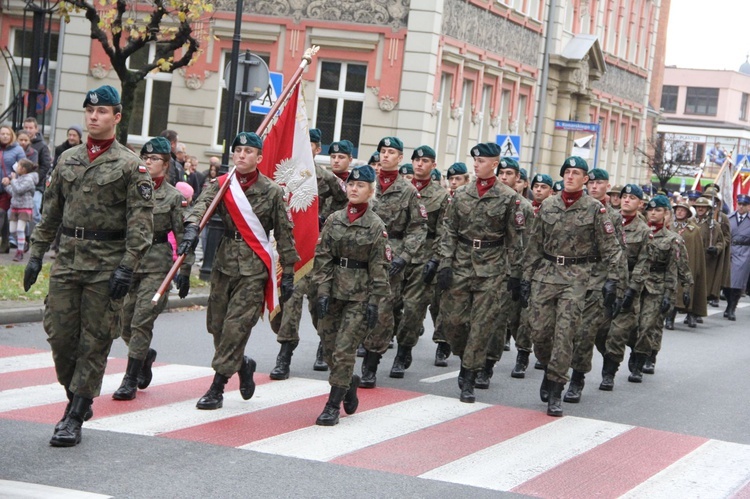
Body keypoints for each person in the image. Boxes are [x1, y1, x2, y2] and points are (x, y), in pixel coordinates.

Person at [24, 85, 155, 447]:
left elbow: (141, 225)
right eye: (89, 111)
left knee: (94, 341)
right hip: (67, 261)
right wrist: (36, 254)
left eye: (102, 112)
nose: (93, 117)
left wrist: (127, 267)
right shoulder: (68, 159)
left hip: (106, 264)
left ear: (116, 116)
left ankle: (75, 413)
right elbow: (50, 213)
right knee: (60, 336)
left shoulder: (131, 166)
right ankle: (76, 395)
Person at [178, 131, 298, 410]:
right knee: (217, 326)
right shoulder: (222, 184)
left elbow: (285, 232)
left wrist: (289, 271)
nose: (242, 155)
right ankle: (243, 364)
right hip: (224, 264)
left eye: (248, 151)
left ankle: (217, 387)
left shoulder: (272, 191)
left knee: (236, 327)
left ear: (259, 157)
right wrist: (192, 228)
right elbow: (200, 207)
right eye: (238, 150)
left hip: (253, 269)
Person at [521, 156, 621, 417]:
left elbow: (612, 249)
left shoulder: (596, 210)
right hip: (546, 274)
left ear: (585, 179)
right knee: (539, 332)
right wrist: (523, 277)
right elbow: (534, 244)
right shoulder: (548, 206)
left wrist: (613, 281)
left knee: (565, 334)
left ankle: (556, 389)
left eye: (576, 173)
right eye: (566, 172)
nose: (570, 176)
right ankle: (547, 365)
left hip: (577, 278)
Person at [438, 142, 523, 403]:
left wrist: (516, 274)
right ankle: (466, 357)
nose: (476, 164)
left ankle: (470, 375)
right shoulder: (461, 194)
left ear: (494, 164)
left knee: (481, 324)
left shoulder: (509, 197)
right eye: (474, 160)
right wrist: (444, 263)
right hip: (462, 262)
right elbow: (449, 229)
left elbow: (515, 238)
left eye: (482, 161)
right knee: (453, 322)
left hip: (492, 268)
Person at [111, 137, 193, 401]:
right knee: (124, 323)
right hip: (129, 263)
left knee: (141, 321)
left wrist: (185, 270)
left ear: (166, 164)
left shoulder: (173, 197)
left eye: (153, 158)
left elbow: (183, 236)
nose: (147, 162)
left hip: (157, 265)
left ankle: (130, 379)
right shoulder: (130, 190)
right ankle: (144, 357)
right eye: (144, 158)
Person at [312, 164, 389, 426]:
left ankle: (332, 405)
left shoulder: (376, 226)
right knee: (330, 348)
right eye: (352, 184)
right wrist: (321, 291)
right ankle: (348, 382)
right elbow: (323, 258)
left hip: (360, 295)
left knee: (345, 349)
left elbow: (380, 268)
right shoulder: (334, 219)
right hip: (333, 292)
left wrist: (375, 303)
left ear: (371, 191)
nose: (354, 189)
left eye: (361, 186)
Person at [269, 131, 349, 380]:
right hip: (295, 249)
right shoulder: (287, 175)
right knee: (289, 302)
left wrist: (316, 172)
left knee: (320, 307)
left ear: (316, 149)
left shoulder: (325, 177)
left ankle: (324, 347)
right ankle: (285, 354)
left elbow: (343, 196)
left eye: (310, 146)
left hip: (322, 254)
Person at [360, 136, 426, 388]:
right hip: (361, 254)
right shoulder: (365, 185)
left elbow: (418, 228)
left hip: (391, 256)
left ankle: (370, 363)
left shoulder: (408, 191)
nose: (385, 156)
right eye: (382, 152)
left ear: (400, 159)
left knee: (382, 310)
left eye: (391, 152)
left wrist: (404, 256)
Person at [565, 168, 627, 404]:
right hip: (568, 279)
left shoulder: (612, 216)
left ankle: (576, 379)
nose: (593, 186)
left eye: (599, 183)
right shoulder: (571, 208)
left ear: (607, 186)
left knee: (584, 334)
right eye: (590, 182)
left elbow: (619, 253)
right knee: (560, 332)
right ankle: (555, 376)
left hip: (596, 282)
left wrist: (618, 287)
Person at [390, 146, 448, 378]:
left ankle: (403, 351)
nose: (419, 164)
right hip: (399, 254)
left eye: (425, 161)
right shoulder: (402, 190)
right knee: (391, 305)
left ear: (433, 165)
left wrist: (435, 260)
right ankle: (384, 338)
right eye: (416, 160)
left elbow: (444, 232)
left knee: (413, 309)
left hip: (424, 257)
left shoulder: (441, 196)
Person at [625, 196, 692, 381]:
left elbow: (676, 266)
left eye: (658, 210)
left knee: (648, 326)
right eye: (651, 210)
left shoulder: (672, 239)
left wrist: (679, 290)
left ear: (666, 214)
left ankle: (640, 361)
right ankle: (635, 350)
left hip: (657, 287)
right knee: (631, 325)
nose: (653, 213)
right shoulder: (639, 232)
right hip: (636, 284)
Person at [479, 156, 531, 389]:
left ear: (518, 178)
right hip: (481, 268)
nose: (504, 177)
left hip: (507, 273)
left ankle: (487, 365)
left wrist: (520, 277)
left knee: (498, 321)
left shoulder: (524, 208)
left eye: (509, 173)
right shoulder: (485, 199)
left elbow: (528, 245)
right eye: (501, 172)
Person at [598, 185, 651, 390]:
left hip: (628, 285)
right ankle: (613, 355)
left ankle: (609, 373)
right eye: (624, 197)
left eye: (632, 198)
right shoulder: (607, 221)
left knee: (617, 334)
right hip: (606, 283)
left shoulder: (644, 230)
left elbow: (644, 262)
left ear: (640, 203)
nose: (627, 200)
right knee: (600, 330)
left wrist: (632, 290)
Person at [511, 172, 553, 379]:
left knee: (530, 317)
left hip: (543, 270)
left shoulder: (553, 211)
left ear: (551, 191)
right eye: (536, 186)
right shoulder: (524, 208)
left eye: (543, 187)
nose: (538, 190)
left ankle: (523, 356)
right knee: (513, 315)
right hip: (520, 266)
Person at [670, 201, 707, 328]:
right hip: (671, 265)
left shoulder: (694, 230)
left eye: (682, 210)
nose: (679, 212)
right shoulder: (669, 226)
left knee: (688, 289)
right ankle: (670, 317)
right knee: (672, 290)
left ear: (687, 213)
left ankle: (691, 313)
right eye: (677, 209)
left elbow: (698, 252)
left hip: (688, 265)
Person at [692, 193, 727, 308]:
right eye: (698, 207)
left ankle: (694, 314)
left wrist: (716, 248)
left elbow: (721, 242)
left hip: (706, 260)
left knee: (702, 288)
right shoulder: (689, 222)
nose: (700, 209)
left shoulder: (714, 225)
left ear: (708, 209)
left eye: (703, 207)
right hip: (691, 258)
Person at [2, 159, 38, 261]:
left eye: (18, 166)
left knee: (20, 229)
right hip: (15, 207)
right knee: (12, 230)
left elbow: (19, 189)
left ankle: (19, 252)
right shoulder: (18, 178)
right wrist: (6, 185)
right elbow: (14, 192)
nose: (16, 168)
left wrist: (12, 180)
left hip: (25, 207)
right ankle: (24, 243)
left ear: (23, 169)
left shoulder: (29, 179)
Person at [0, 125, 26, 253]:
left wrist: (11, 179)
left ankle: (20, 241)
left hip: (9, 189)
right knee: (3, 216)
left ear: (11, 136)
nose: (4, 136)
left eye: (7, 134)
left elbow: (23, 168)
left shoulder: (17, 150)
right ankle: (5, 244)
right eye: (2, 134)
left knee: (1, 213)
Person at [23, 117, 52, 227]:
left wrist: (34, 179)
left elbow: (46, 166)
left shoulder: (42, 146)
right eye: (26, 127)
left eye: (30, 128)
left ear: (36, 129)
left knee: (34, 213)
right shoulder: (20, 143)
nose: (28, 130)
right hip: (20, 185)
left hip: (36, 186)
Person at [726, 194, 750, 320]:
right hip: (729, 250)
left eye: (744, 205)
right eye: (739, 204)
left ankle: (732, 308)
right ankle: (728, 305)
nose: (741, 207)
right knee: (726, 282)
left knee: (738, 283)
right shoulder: (729, 217)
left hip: (744, 252)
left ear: (749, 207)